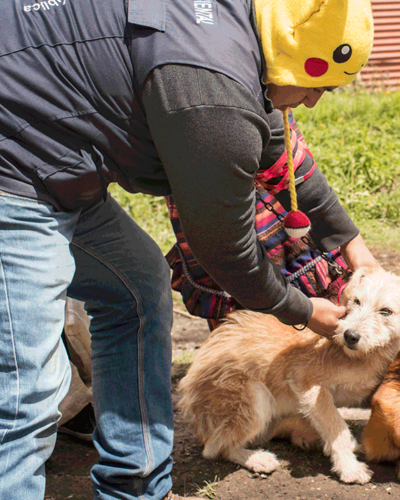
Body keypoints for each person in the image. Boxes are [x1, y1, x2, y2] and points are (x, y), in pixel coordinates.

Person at [0, 0, 377, 498]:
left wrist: (357, 251)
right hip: (15, 165)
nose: (312, 102)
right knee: (27, 386)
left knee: (136, 287)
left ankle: (134, 485)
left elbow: (284, 162)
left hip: (60, 164)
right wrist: (305, 311)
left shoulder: (245, 42)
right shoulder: (213, 94)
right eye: (318, 85)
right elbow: (227, 251)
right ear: (292, 55)